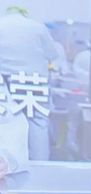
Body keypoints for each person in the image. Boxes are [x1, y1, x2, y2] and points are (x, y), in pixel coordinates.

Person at [0, 6, 60, 160]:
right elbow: (52, 54)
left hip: (4, 82)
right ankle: (40, 165)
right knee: (37, 123)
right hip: (33, 82)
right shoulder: (38, 27)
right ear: (24, 14)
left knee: (4, 123)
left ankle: (7, 164)